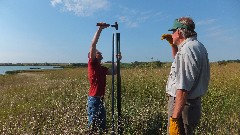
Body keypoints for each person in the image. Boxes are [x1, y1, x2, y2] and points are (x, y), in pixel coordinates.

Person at [161, 17, 210, 135]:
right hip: (190, 104)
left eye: (173, 31)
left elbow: (183, 89)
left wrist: (174, 120)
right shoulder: (197, 46)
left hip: (183, 106)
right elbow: (180, 64)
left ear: (179, 31)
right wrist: (173, 45)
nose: (172, 34)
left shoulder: (187, 50)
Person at [87, 22, 121, 134]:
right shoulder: (92, 64)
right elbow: (93, 45)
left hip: (100, 100)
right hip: (93, 100)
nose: (100, 52)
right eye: (97, 52)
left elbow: (114, 72)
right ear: (92, 56)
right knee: (92, 126)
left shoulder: (101, 68)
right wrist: (100, 29)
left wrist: (117, 60)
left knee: (102, 125)